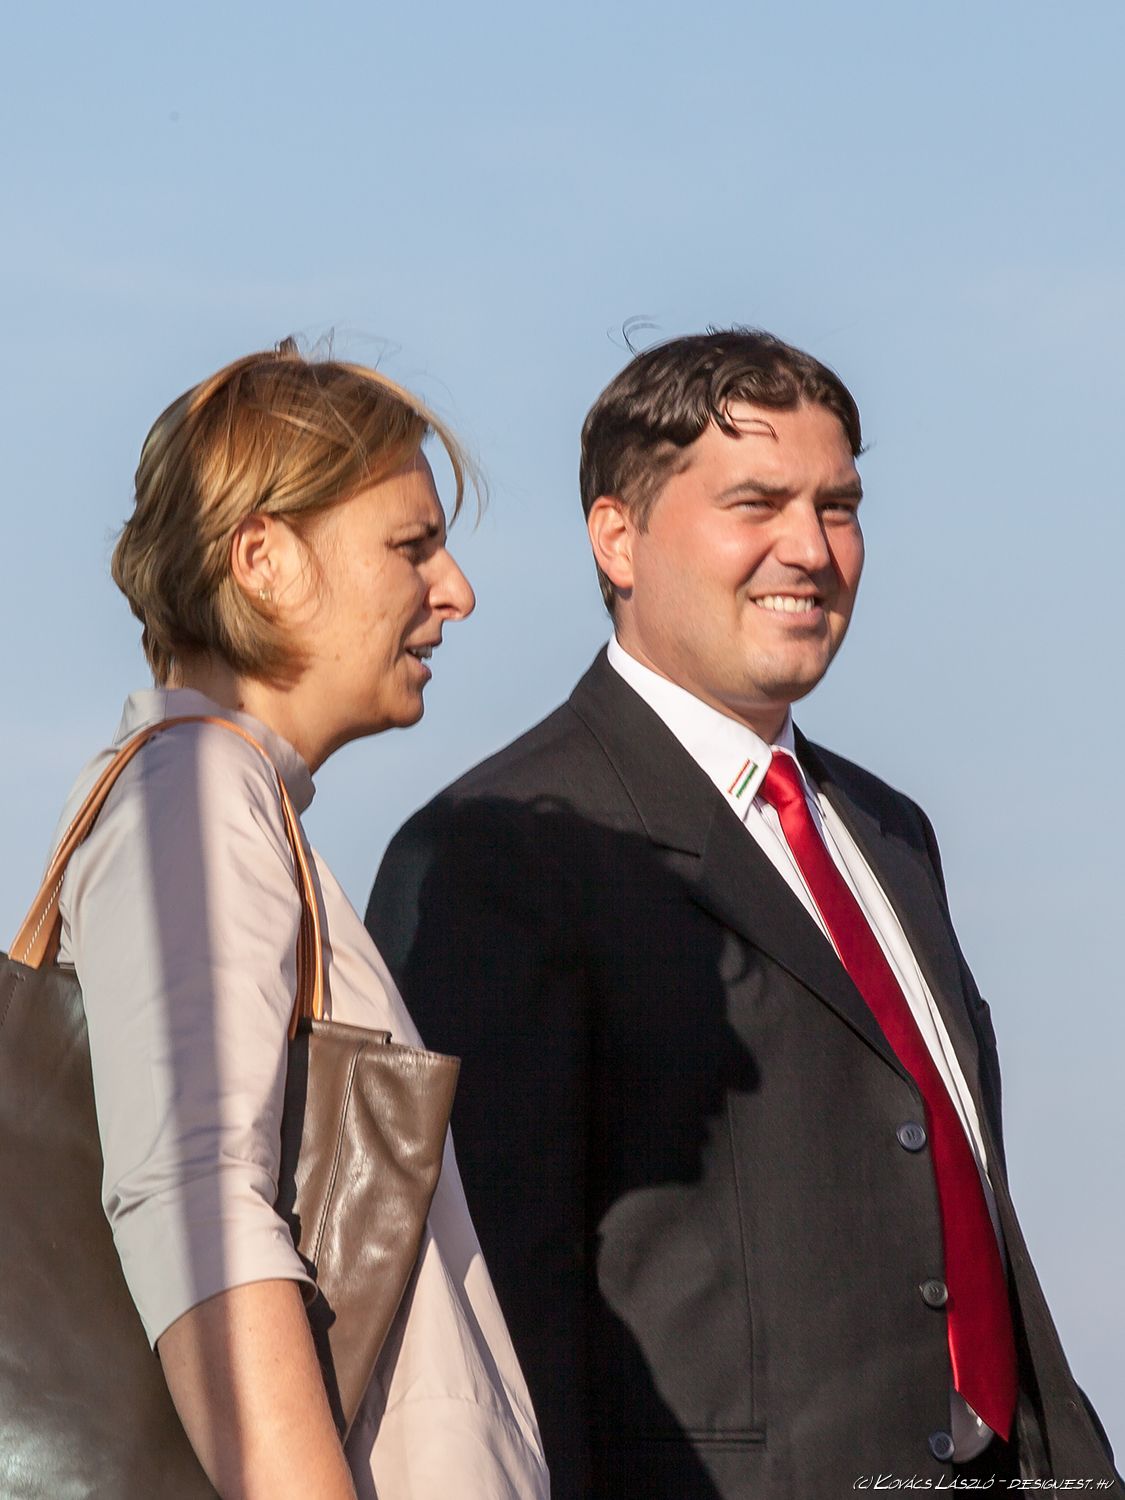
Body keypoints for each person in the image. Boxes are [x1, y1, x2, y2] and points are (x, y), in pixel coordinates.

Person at [367, 330, 1119, 1498]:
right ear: (617, 537)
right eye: (757, 503)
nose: (810, 549)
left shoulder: (890, 833)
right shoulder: (497, 851)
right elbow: (499, 1304)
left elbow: (959, 1188)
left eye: (838, 507)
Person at [53, 343, 548, 1500]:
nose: (456, 591)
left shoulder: (228, 800)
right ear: (263, 558)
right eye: (412, 545)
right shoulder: (195, 792)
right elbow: (196, 1202)